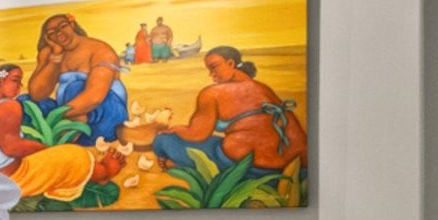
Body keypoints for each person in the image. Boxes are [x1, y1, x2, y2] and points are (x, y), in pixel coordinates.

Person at [147, 47, 303, 178]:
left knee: (164, 141)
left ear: (230, 63)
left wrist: (178, 129)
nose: (211, 74)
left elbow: (197, 134)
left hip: (242, 166)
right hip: (283, 169)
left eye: (214, 67)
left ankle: (188, 168)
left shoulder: (212, 93)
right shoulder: (263, 89)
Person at [0, 64, 99, 205]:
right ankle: (104, 172)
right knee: (76, 155)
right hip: (5, 181)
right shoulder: (8, 105)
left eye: (20, 82)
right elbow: (11, 147)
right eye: (15, 80)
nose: (19, 85)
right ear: (1, 80)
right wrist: (45, 149)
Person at [22, 13, 128, 142]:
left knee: (75, 87)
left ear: (72, 24)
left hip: (103, 115)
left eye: (62, 27)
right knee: (25, 102)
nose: (58, 33)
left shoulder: (99, 49)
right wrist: (55, 57)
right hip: (67, 115)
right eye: (52, 32)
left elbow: (95, 96)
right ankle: (57, 135)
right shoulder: (49, 53)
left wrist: (56, 116)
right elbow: (37, 94)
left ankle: (65, 136)